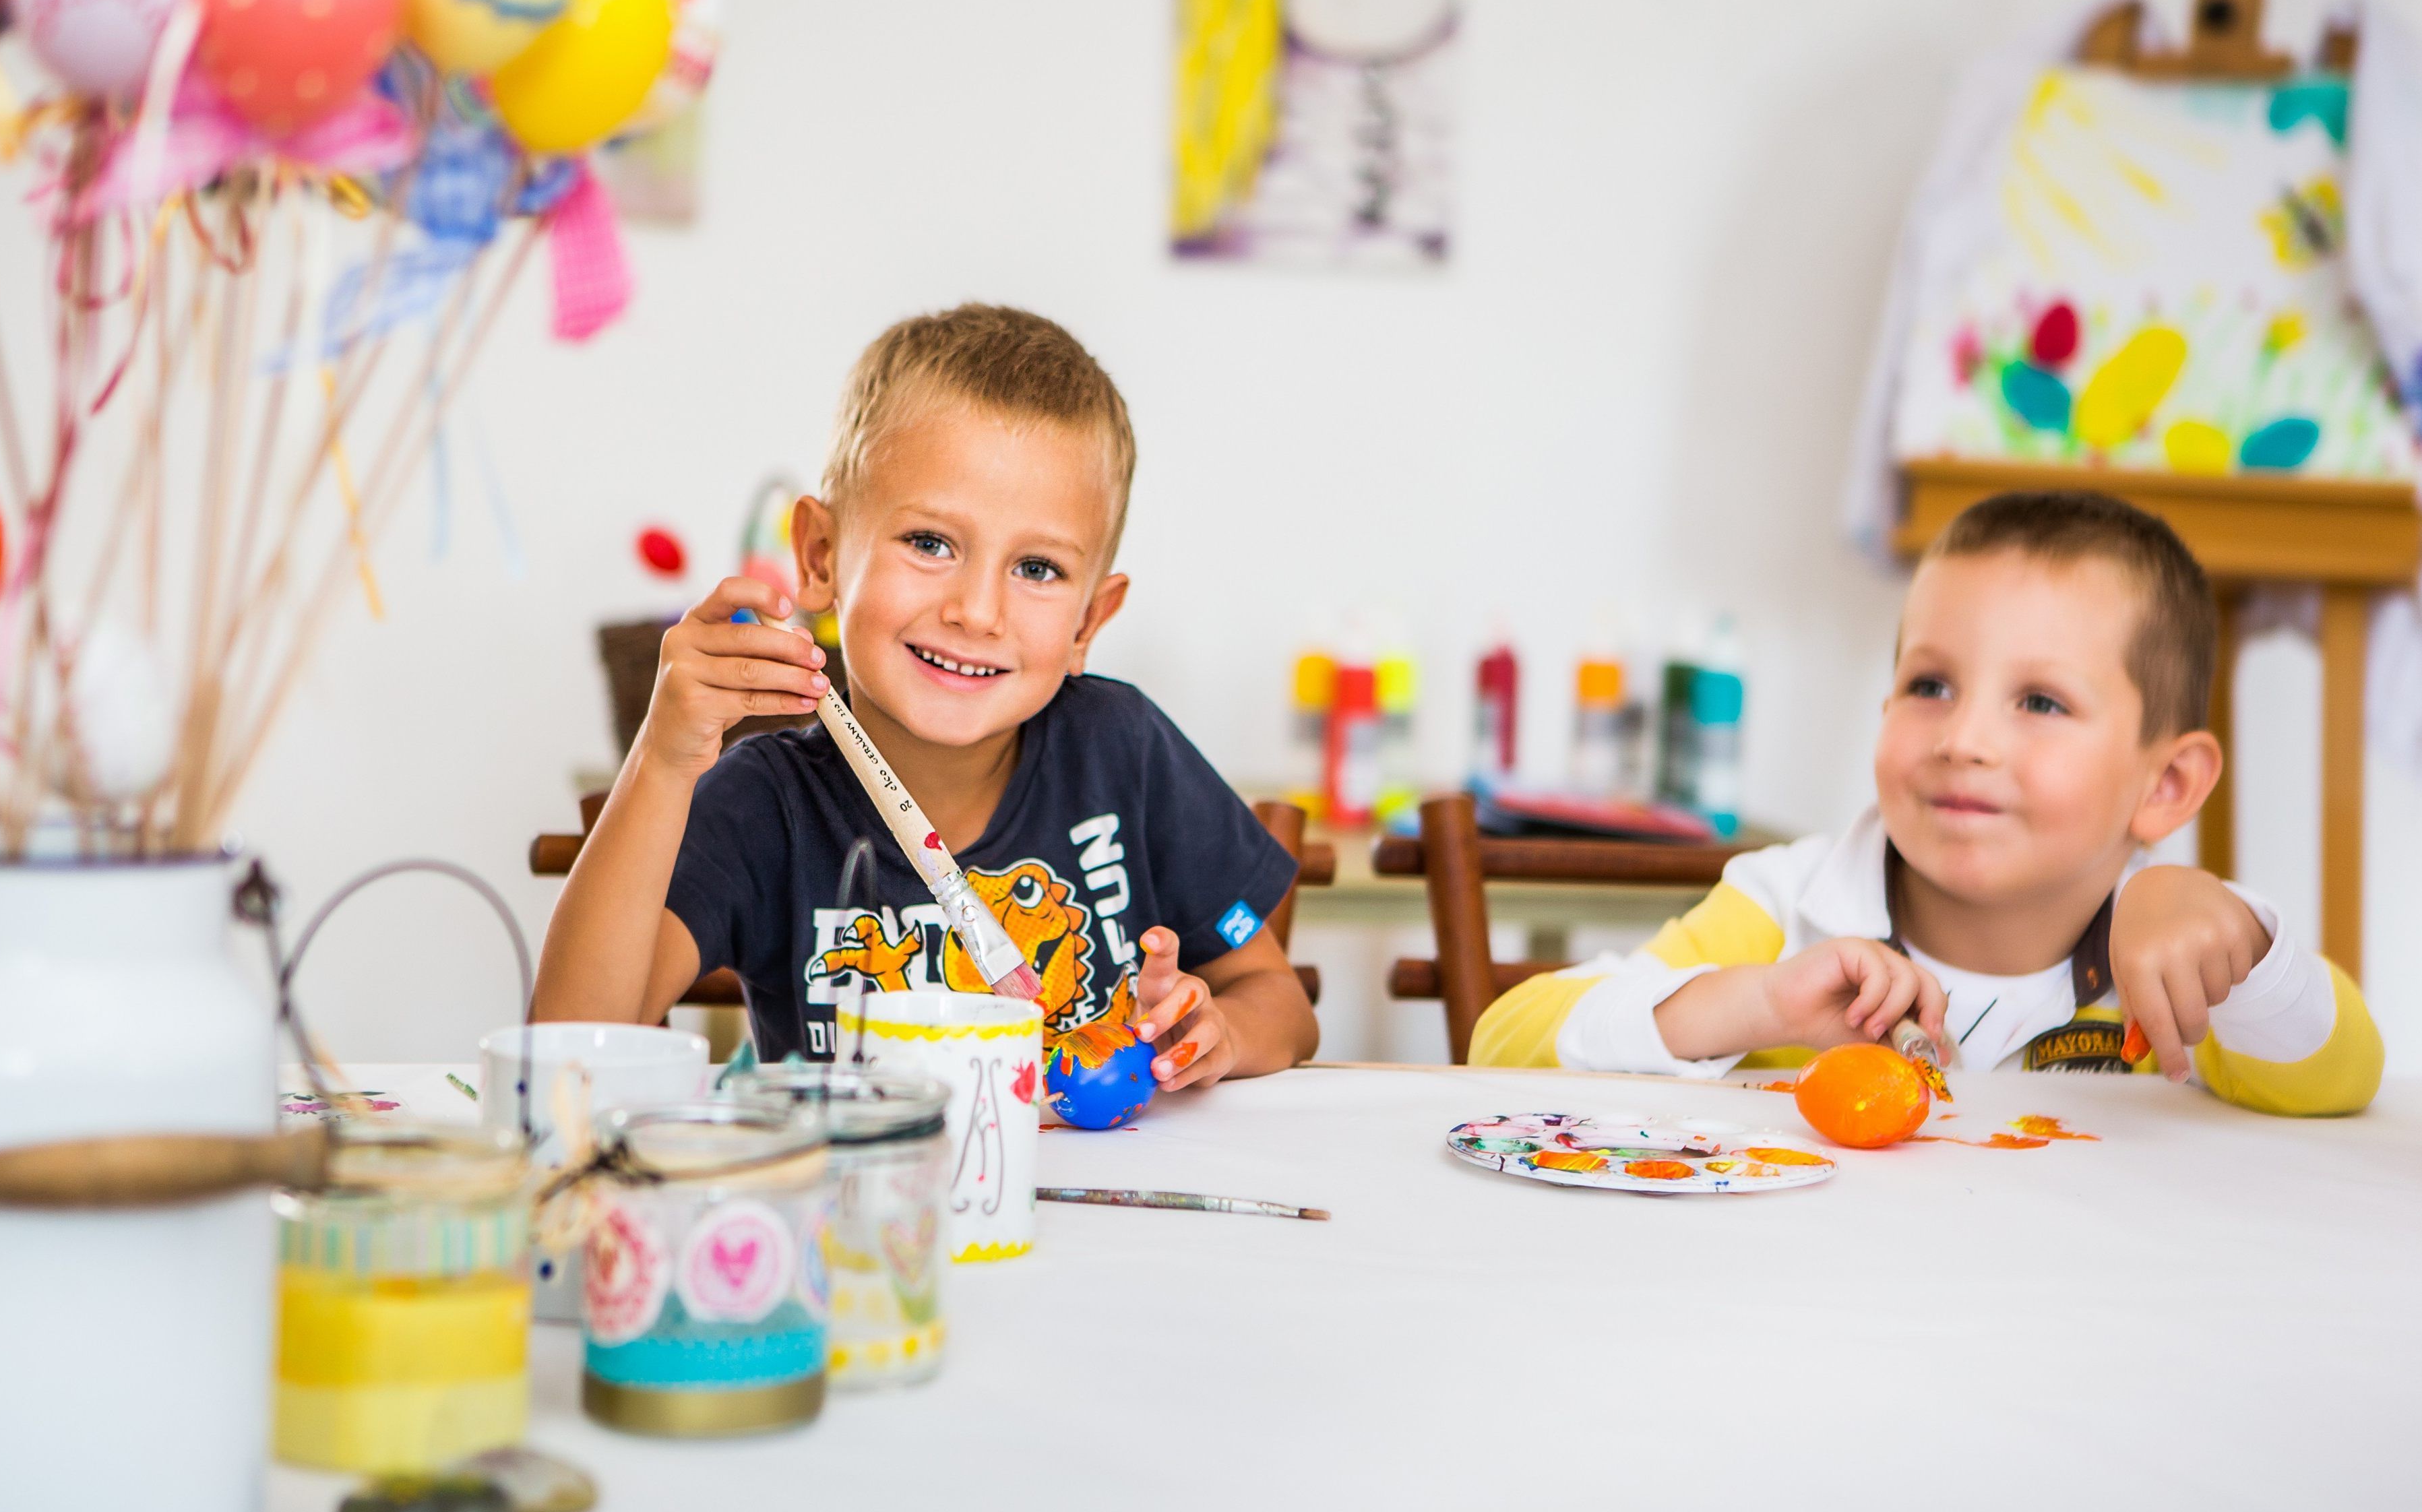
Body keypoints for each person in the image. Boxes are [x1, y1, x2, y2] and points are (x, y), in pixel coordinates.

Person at [536, 304, 1318, 1088]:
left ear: (1089, 619)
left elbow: (1277, 1001)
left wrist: (1214, 1034)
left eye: (1037, 568)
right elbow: (568, 1053)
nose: (976, 612)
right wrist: (665, 757)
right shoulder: (761, 805)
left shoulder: (1125, 750)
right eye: (929, 543)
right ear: (818, 557)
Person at [1471, 492, 2381, 1114]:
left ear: (2167, 785)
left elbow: (2340, 1080)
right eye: (1930, 685)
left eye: (2039, 701)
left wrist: (2242, 941)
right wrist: (1758, 1004)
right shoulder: (1788, 907)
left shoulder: (2179, 952)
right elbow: (1501, 1046)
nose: (1963, 739)